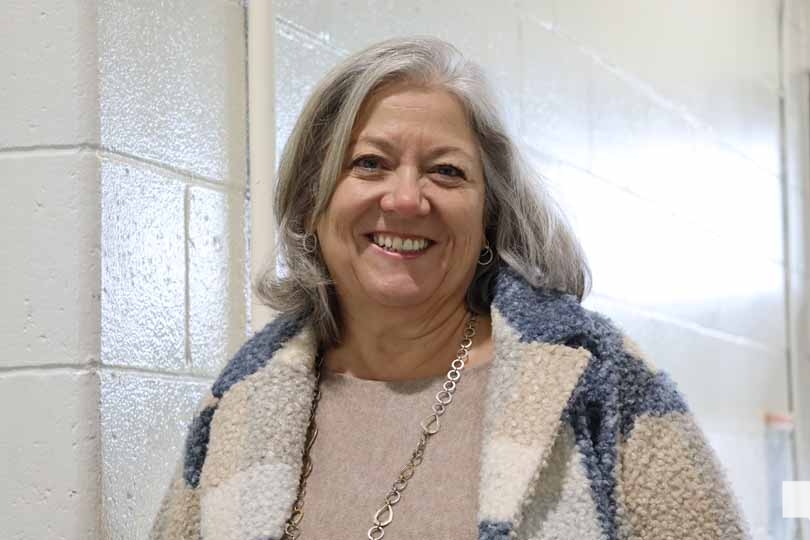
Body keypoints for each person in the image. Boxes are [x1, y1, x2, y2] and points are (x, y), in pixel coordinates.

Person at [149, 36, 750, 540]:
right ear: (313, 200)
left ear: (488, 215)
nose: (406, 199)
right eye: (370, 163)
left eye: (446, 171)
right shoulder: (243, 400)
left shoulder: (597, 382)